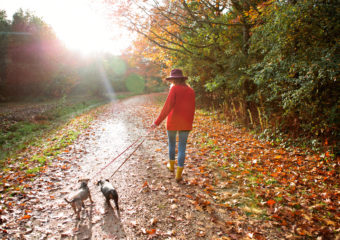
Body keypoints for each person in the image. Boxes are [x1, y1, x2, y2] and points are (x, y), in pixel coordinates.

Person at [151, 69, 195, 182]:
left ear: (174, 79)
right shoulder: (191, 91)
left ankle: (171, 167)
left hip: (173, 122)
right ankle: (179, 174)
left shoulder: (174, 89)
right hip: (185, 123)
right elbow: (192, 110)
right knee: (182, 147)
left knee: (171, 144)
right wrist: (189, 123)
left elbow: (167, 107)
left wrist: (157, 122)